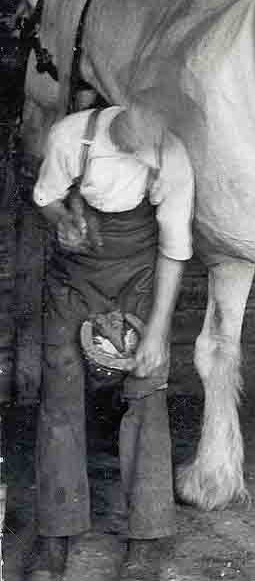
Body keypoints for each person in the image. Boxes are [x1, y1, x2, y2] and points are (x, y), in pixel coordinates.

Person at [24, 103, 195, 581]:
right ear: (123, 113)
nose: (150, 149)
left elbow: (174, 248)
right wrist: (62, 220)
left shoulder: (171, 156)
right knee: (58, 398)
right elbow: (45, 198)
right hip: (74, 279)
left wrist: (157, 333)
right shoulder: (70, 138)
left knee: (146, 393)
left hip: (139, 277)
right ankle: (55, 535)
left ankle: (147, 539)